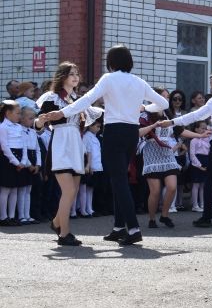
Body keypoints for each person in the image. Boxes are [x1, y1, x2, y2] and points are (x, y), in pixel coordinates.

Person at [40, 46, 168, 246]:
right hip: (132, 133)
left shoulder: (109, 79)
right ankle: (118, 227)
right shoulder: (138, 81)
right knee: (120, 178)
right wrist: (145, 107)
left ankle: (133, 229)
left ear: (111, 62)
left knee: (118, 181)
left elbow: (87, 99)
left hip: (114, 132)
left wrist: (62, 113)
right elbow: (164, 104)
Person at [159, 70, 212, 229]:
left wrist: (172, 122)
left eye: (211, 83)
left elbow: (197, 116)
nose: (210, 86)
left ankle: (207, 217)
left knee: (209, 179)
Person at [34, 62, 104, 246]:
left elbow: (97, 112)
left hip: (76, 145)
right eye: (71, 74)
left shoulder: (78, 99)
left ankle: (57, 222)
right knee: (69, 190)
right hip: (61, 143)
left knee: (72, 193)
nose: (75, 77)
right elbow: (39, 123)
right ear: (62, 76)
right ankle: (64, 234)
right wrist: (40, 122)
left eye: (77, 74)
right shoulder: (52, 97)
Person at [138, 104, 179, 229]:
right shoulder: (146, 115)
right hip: (152, 151)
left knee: (172, 187)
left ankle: (164, 215)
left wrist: (199, 135)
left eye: (166, 97)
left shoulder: (169, 114)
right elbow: (139, 133)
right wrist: (153, 125)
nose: (165, 99)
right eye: (162, 96)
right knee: (155, 191)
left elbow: (180, 131)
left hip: (167, 152)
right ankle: (152, 219)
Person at [0, 100, 33, 226]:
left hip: (19, 159)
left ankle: (12, 216)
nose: (19, 116)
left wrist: (23, 161)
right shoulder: (3, 127)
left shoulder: (19, 127)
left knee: (14, 189)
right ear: (8, 113)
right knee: (5, 190)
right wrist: (15, 161)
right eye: (18, 113)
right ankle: (3, 217)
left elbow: (23, 144)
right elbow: (4, 146)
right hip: (8, 159)